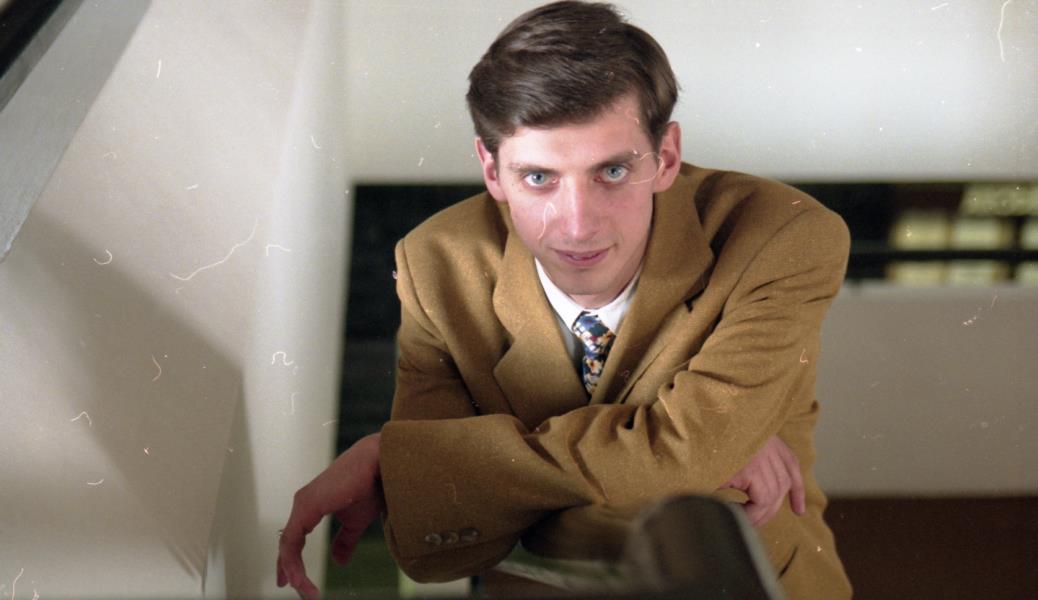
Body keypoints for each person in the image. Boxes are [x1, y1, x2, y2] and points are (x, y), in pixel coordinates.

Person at [278, 2, 852, 598]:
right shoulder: (437, 266)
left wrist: (416, 464)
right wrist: (682, 454)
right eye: (538, 177)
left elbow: (436, 483)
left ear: (666, 157)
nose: (578, 226)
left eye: (612, 172)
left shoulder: (783, 237)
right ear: (491, 171)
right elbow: (440, 545)